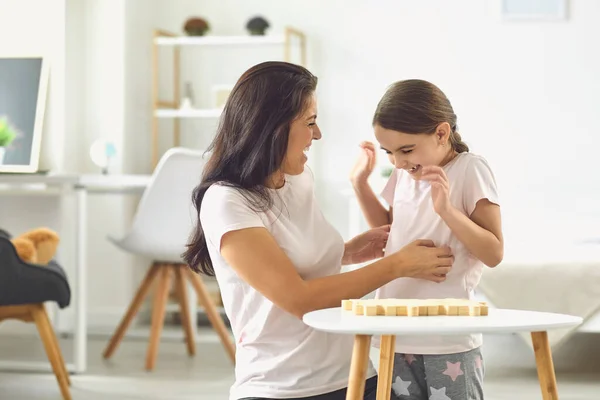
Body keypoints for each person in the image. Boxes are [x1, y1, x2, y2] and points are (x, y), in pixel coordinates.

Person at [182, 62, 455, 400]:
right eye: (310, 122)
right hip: (281, 387)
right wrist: (398, 265)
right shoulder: (227, 201)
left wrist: (350, 250)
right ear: (271, 127)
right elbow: (300, 299)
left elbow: (296, 253)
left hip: (352, 375)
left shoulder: (299, 178)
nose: (318, 134)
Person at [350, 79, 503, 399]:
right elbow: (390, 235)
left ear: (442, 133)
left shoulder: (470, 169)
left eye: (405, 150)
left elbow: (493, 252)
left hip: (447, 338)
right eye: (389, 152)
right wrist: (360, 185)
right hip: (394, 330)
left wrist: (446, 209)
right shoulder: (404, 173)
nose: (398, 162)